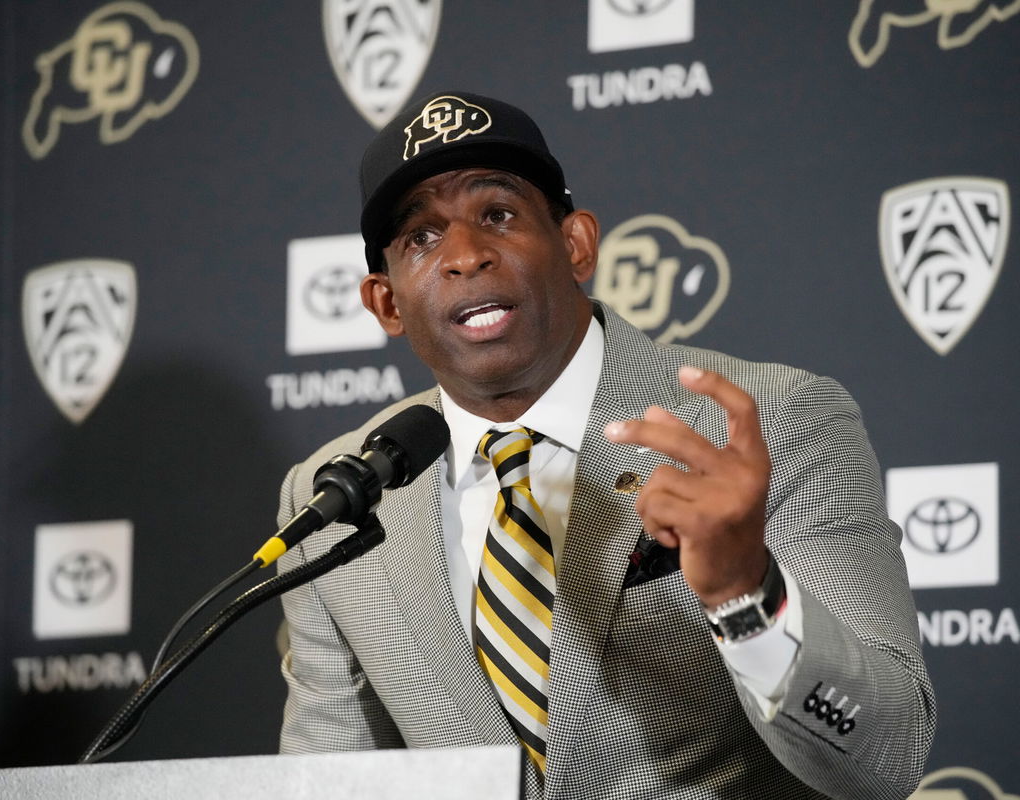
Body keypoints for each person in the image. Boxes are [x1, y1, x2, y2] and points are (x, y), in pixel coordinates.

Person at [276, 90, 935, 799]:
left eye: (498, 214)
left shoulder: (774, 423)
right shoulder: (336, 495)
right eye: (422, 237)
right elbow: (331, 779)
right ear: (386, 302)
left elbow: (887, 756)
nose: (465, 255)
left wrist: (748, 591)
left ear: (576, 244)